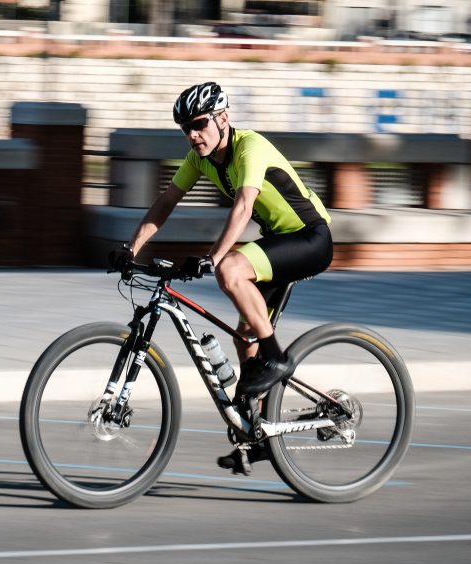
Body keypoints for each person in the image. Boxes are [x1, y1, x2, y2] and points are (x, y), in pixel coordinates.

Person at [112, 81, 333, 414]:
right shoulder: (199, 160)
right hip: (279, 241)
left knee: (230, 269)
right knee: (245, 338)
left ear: (223, 118)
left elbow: (244, 207)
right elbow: (166, 201)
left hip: (310, 237)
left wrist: (211, 259)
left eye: (200, 124)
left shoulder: (250, 147)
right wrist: (130, 249)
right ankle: (254, 431)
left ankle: (278, 358)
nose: (193, 135)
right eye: (186, 129)